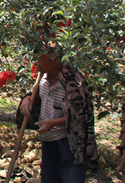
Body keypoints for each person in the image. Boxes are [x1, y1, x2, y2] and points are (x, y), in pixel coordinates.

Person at [19, 45, 99, 182]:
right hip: (48, 141)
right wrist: (25, 101)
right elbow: (34, 95)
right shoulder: (43, 78)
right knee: (50, 179)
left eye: (41, 58)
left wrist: (54, 123)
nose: (37, 62)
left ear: (55, 59)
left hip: (69, 144)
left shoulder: (73, 82)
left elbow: (80, 116)